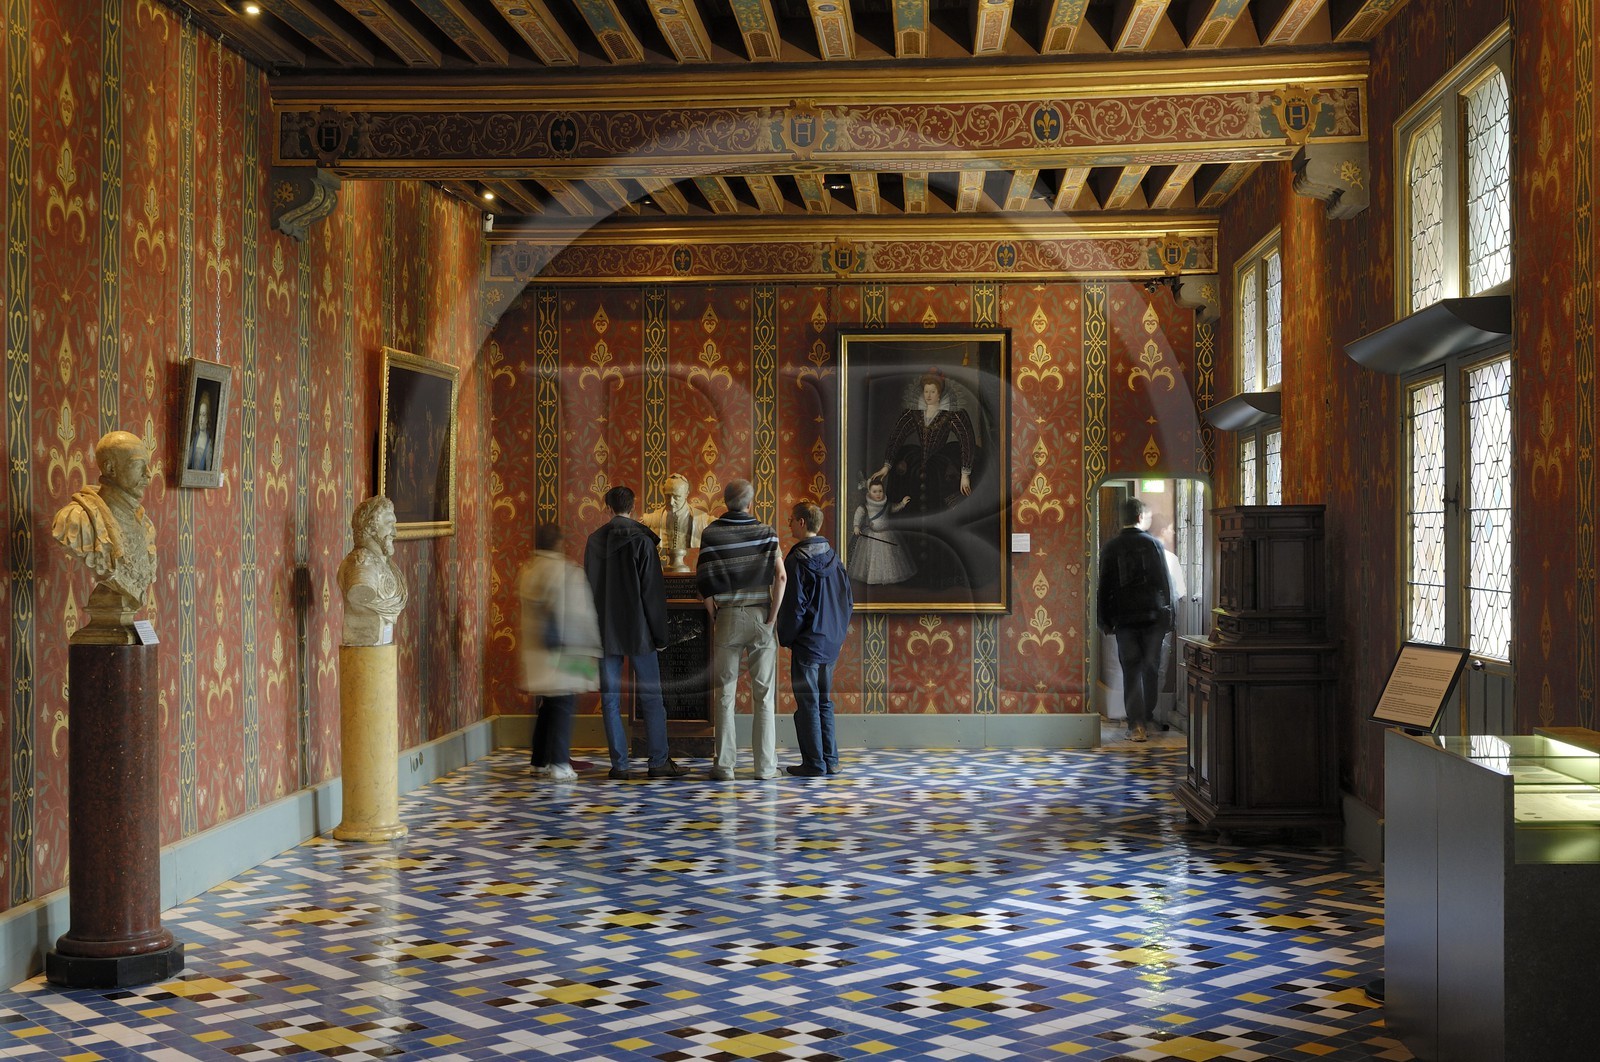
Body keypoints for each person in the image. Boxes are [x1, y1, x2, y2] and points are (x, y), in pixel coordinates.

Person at [584, 485, 687, 780]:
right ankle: (658, 762)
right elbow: (652, 594)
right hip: (640, 629)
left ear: (607, 507)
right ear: (633, 505)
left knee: (611, 699)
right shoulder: (642, 540)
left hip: (605, 631)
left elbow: (589, 588)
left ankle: (619, 765)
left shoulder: (593, 541)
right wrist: (661, 636)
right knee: (652, 697)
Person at [696, 478, 787, 781]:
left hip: (728, 617)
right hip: (761, 615)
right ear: (751, 502)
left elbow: (705, 583)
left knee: (725, 694)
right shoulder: (767, 533)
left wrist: (714, 616)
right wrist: (772, 616)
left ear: (725, 502)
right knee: (764, 695)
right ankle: (765, 767)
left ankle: (724, 766)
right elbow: (782, 577)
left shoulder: (711, 534)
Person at [518, 523, 602, 782]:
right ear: (558, 543)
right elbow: (580, 615)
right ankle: (559, 763)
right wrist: (592, 649)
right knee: (563, 704)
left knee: (548, 706)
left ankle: (539, 761)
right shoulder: (566, 571)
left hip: (535, 652)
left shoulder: (528, 570)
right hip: (564, 652)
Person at [776, 501, 853, 777]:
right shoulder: (834, 557)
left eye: (790, 520)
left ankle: (813, 763)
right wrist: (838, 634)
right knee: (824, 701)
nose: (787, 525)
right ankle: (831, 760)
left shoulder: (796, 560)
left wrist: (786, 636)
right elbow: (847, 602)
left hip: (808, 643)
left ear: (801, 522)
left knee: (807, 702)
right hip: (830, 642)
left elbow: (794, 607)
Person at [51, 430, 158, 626]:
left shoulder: (145, 525)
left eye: (147, 465)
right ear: (110, 468)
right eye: (137, 465)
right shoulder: (76, 519)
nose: (148, 474)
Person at [1096, 497, 1174, 743]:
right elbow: (1164, 584)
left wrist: (1104, 619)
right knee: (1151, 669)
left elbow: (1104, 587)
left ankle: (1136, 724)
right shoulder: (1154, 545)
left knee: (1131, 670)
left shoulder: (1111, 547)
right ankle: (1148, 716)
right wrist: (1167, 617)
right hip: (1152, 618)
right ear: (1141, 517)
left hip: (1124, 619)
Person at [874, 368, 977, 516]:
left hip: (941, 466)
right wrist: (886, 466)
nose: (928, 395)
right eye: (926, 391)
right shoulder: (914, 413)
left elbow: (966, 440)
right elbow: (897, 436)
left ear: (940, 393)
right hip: (917, 462)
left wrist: (965, 474)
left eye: (932, 391)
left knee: (940, 506)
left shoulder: (952, 414)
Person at [338, 496, 408, 647]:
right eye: (389, 524)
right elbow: (360, 590)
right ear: (370, 528)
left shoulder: (388, 565)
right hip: (364, 644)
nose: (394, 532)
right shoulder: (361, 565)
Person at [847, 476, 915, 585]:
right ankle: (874, 580)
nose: (878, 494)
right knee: (873, 559)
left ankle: (886, 581)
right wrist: (856, 526)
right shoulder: (866, 506)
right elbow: (859, 514)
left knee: (888, 559)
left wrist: (902, 503)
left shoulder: (886, 504)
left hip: (886, 534)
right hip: (872, 536)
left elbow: (894, 508)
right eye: (875, 491)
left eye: (880, 491)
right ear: (869, 492)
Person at [640, 472, 710, 572]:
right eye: (668, 496)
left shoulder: (702, 520)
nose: (671, 502)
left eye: (677, 497)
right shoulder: (649, 520)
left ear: (686, 494)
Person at [188, 391, 213, 471]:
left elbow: (209, 470)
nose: (201, 419)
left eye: (204, 415)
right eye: (200, 415)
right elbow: (187, 462)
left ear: (207, 418)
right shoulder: (195, 438)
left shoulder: (209, 443)